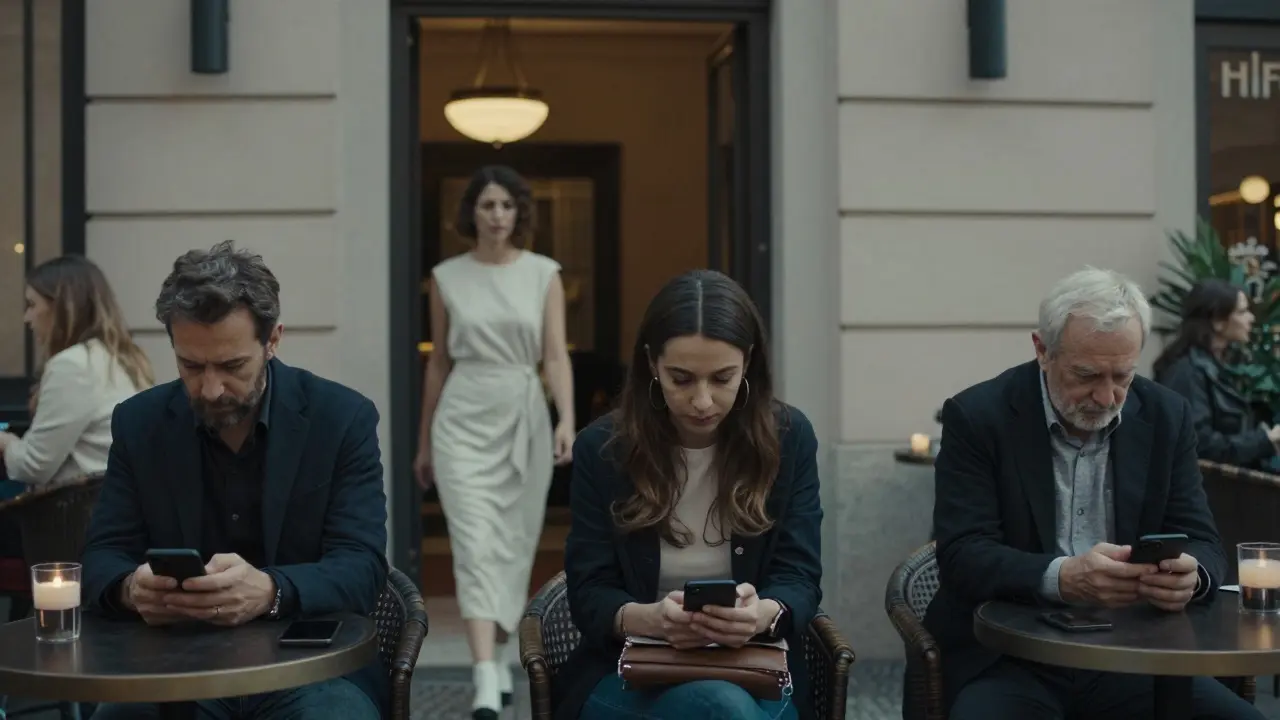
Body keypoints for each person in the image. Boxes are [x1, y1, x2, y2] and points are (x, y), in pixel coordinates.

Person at [925, 267, 1263, 720]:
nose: (1106, 397)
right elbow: (963, 554)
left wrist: (1193, 575)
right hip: (1009, 658)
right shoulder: (979, 416)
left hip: (1136, 654)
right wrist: (1062, 577)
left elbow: (1202, 538)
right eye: (1086, 375)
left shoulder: (1166, 414)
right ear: (1042, 350)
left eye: (1122, 376)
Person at [82, 241, 389, 720]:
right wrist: (131, 588)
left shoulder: (341, 418)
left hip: (311, 669)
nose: (210, 388)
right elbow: (102, 557)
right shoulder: (139, 423)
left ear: (273, 341)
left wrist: (271, 591)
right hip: (176, 670)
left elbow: (362, 566)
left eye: (231, 366)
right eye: (190, 365)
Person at [560, 270, 822, 720]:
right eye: (681, 379)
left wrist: (758, 616)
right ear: (651, 364)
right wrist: (650, 620)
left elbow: (799, 576)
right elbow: (589, 591)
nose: (702, 401)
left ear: (749, 363)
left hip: (752, 669)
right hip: (631, 671)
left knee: (723, 706)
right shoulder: (604, 450)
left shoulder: (788, 438)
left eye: (722, 378)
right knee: (719, 708)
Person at [413, 165, 574, 718]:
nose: (498, 215)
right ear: (471, 213)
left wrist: (566, 419)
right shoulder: (446, 276)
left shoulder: (543, 274)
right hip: (462, 417)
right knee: (474, 546)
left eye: (507, 205)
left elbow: (554, 355)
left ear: (519, 213)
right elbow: (437, 365)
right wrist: (424, 443)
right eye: (487, 205)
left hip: (524, 411)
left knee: (513, 546)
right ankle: (483, 672)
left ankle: (501, 659)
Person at [0, 255, 153, 496]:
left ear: (61, 307)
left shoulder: (73, 364)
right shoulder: (117, 357)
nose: (26, 318)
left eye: (32, 305)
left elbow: (33, 465)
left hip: (81, 516)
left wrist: (5, 442)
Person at [1154, 278, 1279, 470]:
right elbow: (1199, 444)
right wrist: (1264, 441)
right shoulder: (1187, 371)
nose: (1251, 318)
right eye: (1242, 311)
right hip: (1211, 491)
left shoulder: (1219, 366)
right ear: (1218, 320)